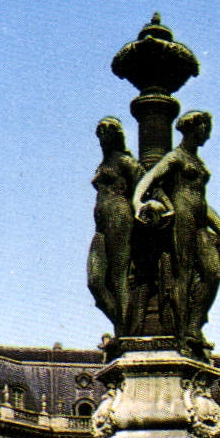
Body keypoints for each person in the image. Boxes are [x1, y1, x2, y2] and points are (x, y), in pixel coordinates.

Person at [130, 109, 220, 354]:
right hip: (182, 221)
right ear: (192, 128)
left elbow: (203, 203)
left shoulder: (197, 162)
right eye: (204, 128)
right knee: (183, 276)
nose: (207, 134)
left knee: (213, 274)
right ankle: (183, 332)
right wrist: (137, 203)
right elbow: (149, 179)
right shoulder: (175, 157)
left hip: (199, 222)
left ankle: (194, 324)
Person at [87, 117, 141, 337]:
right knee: (95, 281)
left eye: (107, 134)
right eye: (100, 134)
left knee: (119, 277)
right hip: (101, 225)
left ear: (117, 136)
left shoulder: (124, 161)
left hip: (120, 217)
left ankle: (126, 332)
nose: (102, 139)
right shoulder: (104, 164)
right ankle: (122, 324)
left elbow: (142, 184)